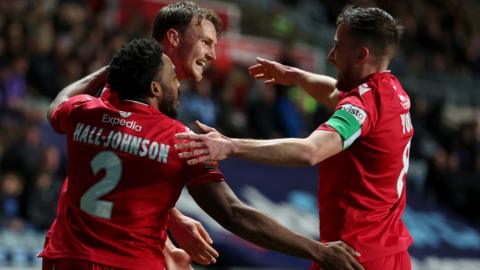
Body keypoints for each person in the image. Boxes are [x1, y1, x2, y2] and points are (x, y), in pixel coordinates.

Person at [39, 38, 363, 270]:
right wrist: (317, 250)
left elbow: (59, 101)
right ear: (154, 88)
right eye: (171, 78)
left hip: (65, 258)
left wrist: (107, 72)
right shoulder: (181, 138)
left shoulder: (82, 112)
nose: (178, 86)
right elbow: (234, 214)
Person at [175, 5, 414, 270]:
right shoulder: (393, 93)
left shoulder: (363, 104)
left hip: (353, 257)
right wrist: (296, 76)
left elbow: (310, 151)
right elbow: (335, 95)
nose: (331, 56)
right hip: (391, 253)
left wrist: (230, 145)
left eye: (337, 47)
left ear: (361, 54)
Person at [50, 1, 222, 267]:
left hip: (92, 247)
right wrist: (174, 221)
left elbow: (133, 185)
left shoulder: (155, 92)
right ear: (174, 38)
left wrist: (167, 237)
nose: (212, 54)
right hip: (92, 246)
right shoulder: (123, 91)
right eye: (206, 42)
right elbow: (121, 170)